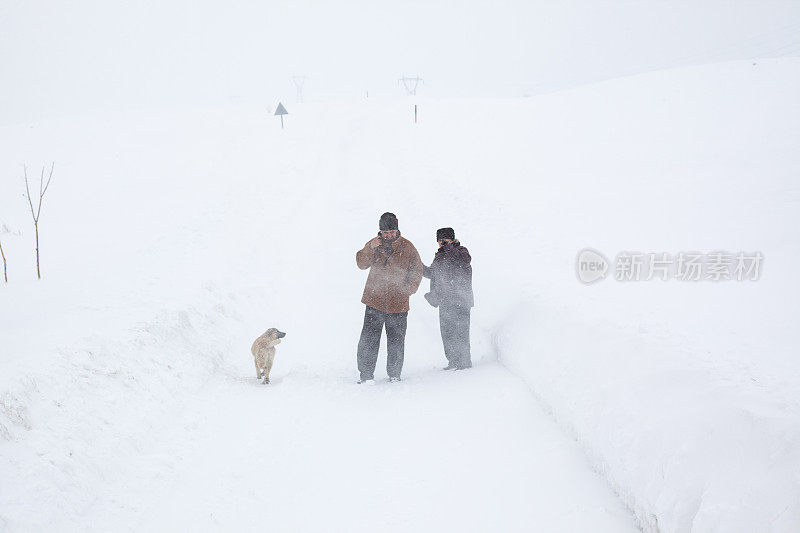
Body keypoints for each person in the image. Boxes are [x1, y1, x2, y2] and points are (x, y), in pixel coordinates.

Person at [355, 212, 423, 383]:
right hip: (374, 301)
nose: (389, 235)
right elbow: (361, 263)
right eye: (385, 233)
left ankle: (394, 375)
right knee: (368, 341)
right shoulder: (374, 244)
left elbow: (417, 271)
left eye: (392, 232)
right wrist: (371, 247)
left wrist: (406, 290)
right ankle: (366, 375)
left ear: (397, 229)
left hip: (398, 304)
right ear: (380, 232)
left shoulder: (408, 247)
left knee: (396, 342)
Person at [423, 227, 474, 370]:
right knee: (447, 333)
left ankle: (464, 362)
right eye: (439, 241)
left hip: (461, 300)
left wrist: (449, 247)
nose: (441, 244)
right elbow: (431, 273)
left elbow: (464, 261)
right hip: (445, 301)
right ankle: (453, 361)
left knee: (461, 333)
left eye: (444, 240)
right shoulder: (439, 256)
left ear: (452, 240)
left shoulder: (462, 251)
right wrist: (418, 266)